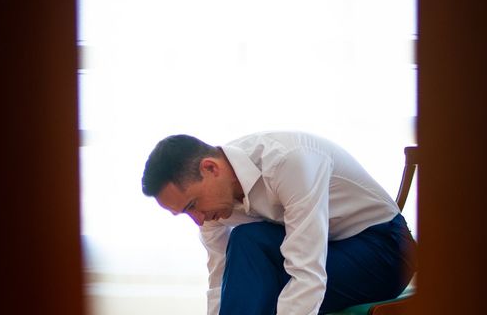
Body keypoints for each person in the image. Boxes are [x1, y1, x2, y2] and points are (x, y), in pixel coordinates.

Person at [141, 131, 416, 315]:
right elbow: (220, 282)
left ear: (210, 168)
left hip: (385, 251)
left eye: (192, 205)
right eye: (185, 213)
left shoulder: (289, 162)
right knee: (248, 243)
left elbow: (307, 274)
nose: (198, 219)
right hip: (331, 249)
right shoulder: (212, 208)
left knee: (253, 257)